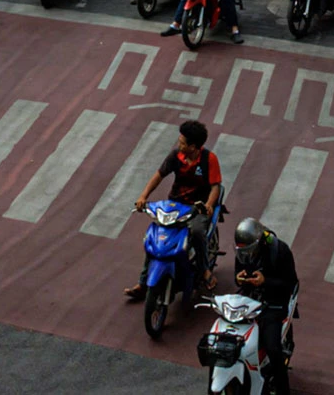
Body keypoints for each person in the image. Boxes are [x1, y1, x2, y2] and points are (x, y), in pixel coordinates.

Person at [126, 120, 225, 299]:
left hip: (198, 208)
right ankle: (143, 282)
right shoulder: (175, 156)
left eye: (182, 143)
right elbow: (159, 175)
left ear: (193, 146)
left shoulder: (209, 159)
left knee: (197, 232)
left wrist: (209, 205)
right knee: (156, 238)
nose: (179, 145)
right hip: (175, 205)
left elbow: (215, 187)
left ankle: (204, 270)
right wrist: (143, 197)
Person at [232, 217, 300, 373]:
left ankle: (282, 384)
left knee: (272, 348)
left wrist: (265, 281)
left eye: (248, 250)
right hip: (249, 300)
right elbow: (237, 274)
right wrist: (238, 278)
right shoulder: (243, 252)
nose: (245, 254)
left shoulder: (280, 251)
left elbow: (290, 283)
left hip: (274, 303)